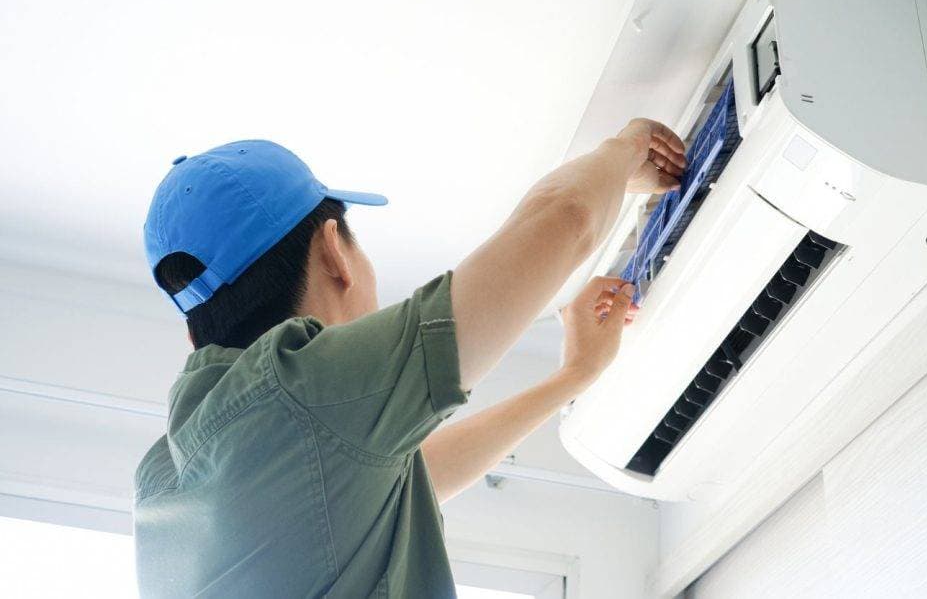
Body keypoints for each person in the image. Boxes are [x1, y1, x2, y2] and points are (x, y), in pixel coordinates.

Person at [133, 119, 686, 598]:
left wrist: (573, 376)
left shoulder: (169, 478)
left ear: (195, 333)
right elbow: (563, 221)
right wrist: (628, 149)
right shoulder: (301, 392)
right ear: (334, 253)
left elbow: (413, 471)